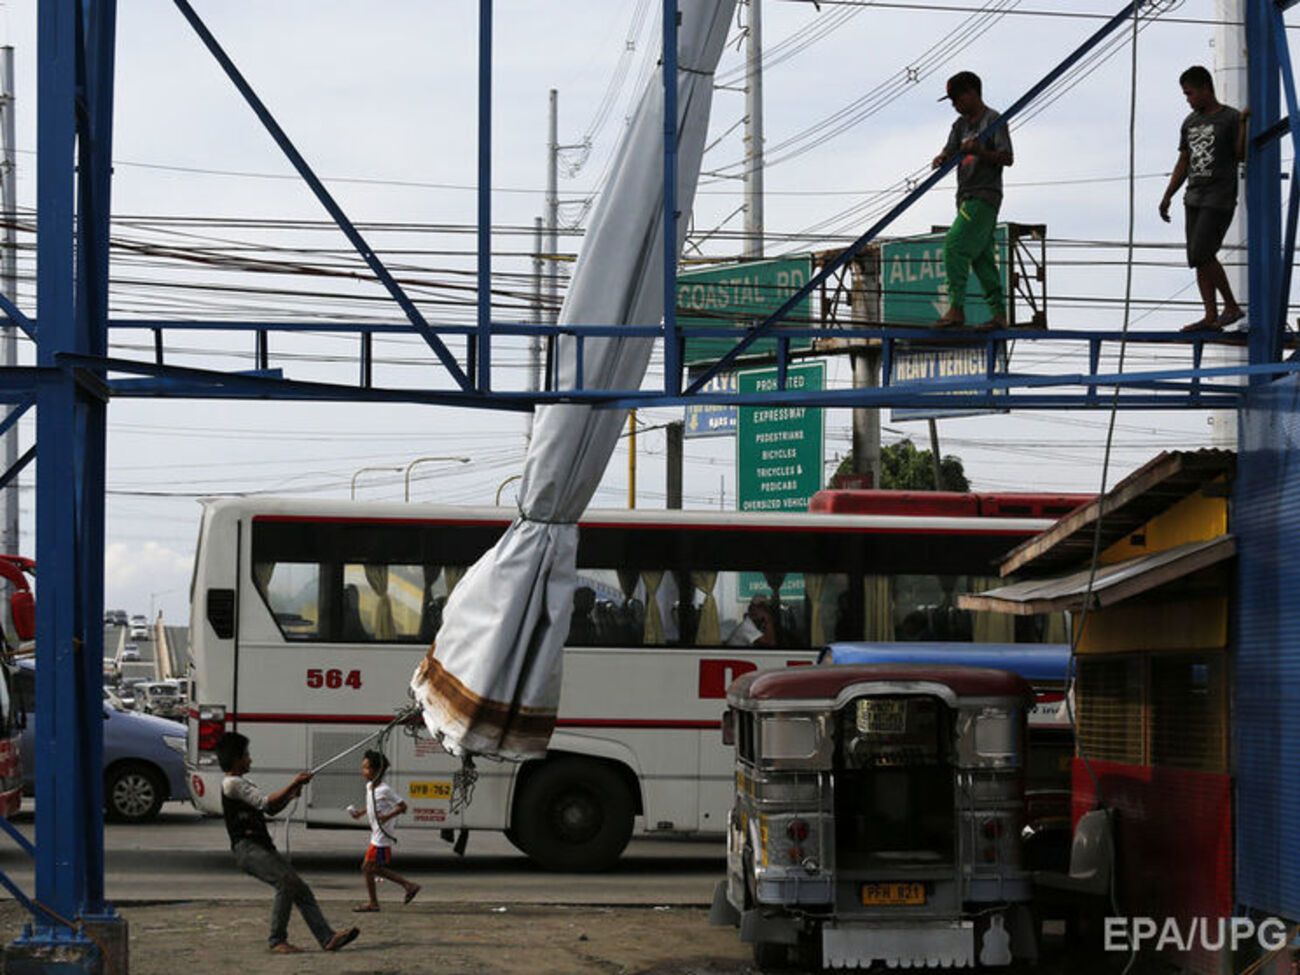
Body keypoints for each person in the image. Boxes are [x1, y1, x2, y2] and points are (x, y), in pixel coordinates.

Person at [214, 732, 361, 954]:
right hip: (248, 848)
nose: (250, 759)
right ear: (236, 759)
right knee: (285, 883)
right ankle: (277, 940)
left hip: (260, 847)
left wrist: (292, 793)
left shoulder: (242, 783)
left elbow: (271, 808)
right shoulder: (231, 784)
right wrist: (293, 783)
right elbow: (265, 803)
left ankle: (327, 937)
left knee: (300, 889)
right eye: (246, 755)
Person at [1159, 65, 1249, 331]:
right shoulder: (1190, 122)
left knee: (1202, 252)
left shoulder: (1230, 118)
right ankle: (1210, 315)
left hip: (1218, 196)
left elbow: (1240, 154)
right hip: (1194, 197)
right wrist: (1168, 195)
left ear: (1205, 89)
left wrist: (1243, 125)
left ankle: (1231, 306)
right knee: (1197, 258)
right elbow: (1183, 161)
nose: (1188, 99)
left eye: (1190, 93)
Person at [931, 71, 1014, 330]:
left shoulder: (993, 120)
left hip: (983, 195)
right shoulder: (960, 125)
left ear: (971, 93)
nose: (955, 105)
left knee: (955, 246)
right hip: (965, 195)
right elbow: (950, 149)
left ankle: (956, 309)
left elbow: (1007, 157)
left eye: (957, 98)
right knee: (982, 258)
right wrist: (943, 157)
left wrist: (980, 151)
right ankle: (999, 314)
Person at [348, 749, 420, 912]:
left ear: (376, 770)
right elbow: (371, 804)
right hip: (376, 834)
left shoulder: (385, 789)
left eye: (366, 768)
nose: (363, 771)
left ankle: (407, 886)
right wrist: (360, 812)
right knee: (371, 868)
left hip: (382, 836)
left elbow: (403, 807)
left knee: (369, 868)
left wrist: (387, 817)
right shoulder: (369, 787)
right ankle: (404, 887)